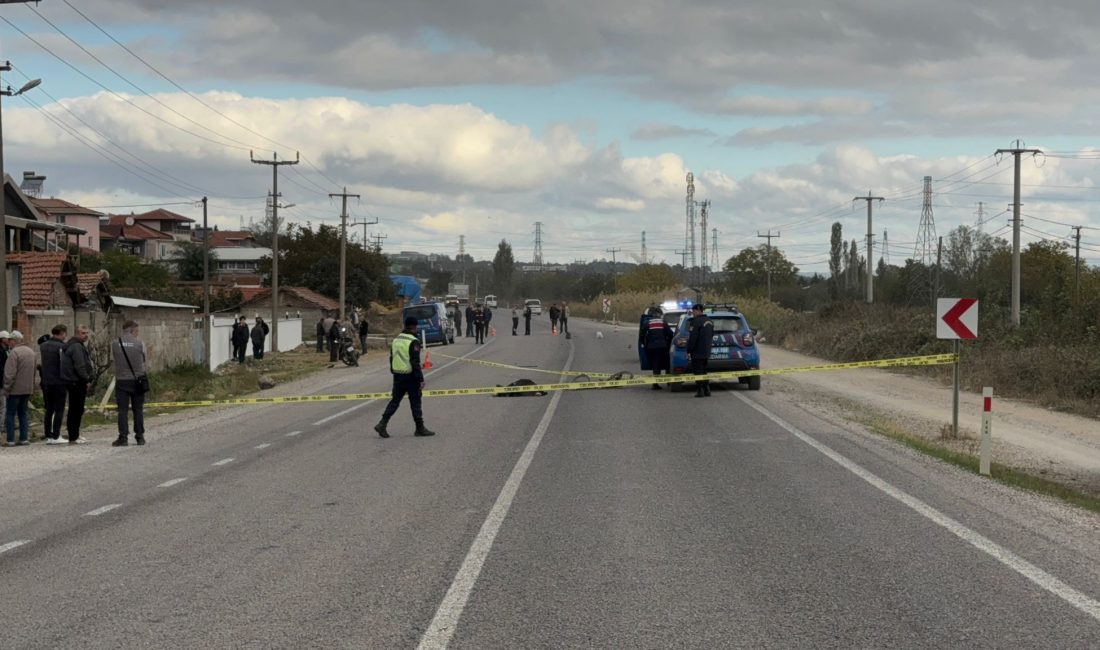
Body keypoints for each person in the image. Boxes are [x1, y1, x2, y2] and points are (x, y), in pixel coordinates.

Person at [373, 316, 436, 438]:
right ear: (414, 326)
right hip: (410, 376)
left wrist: (394, 371)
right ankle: (420, 428)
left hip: (398, 375)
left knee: (395, 401)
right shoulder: (413, 341)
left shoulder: (396, 340)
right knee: (415, 402)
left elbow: (392, 357)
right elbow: (414, 362)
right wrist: (420, 379)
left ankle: (382, 423)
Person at [111, 320, 148, 446]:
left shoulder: (115, 343)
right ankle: (140, 436)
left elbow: (115, 359)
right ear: (132, 330)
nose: (137, 333)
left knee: (122, 411)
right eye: (136, 331)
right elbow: (144, 359)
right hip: (138, 380)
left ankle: (123, 437)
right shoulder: (140, 344)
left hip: (122, 380)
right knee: (138, 409)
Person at [60, 324, 93, 444]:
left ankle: (75, 434)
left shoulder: (74, 345)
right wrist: (87, 379)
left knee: (76, 409)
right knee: (76, 410)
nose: (86, 335)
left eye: (87, 333)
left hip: (73, 381)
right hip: (76, 381)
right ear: (77, 333)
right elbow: (80, 366)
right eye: (83, 333)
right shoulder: (76, 347)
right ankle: (73, 436)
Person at [3, 331, 34, 446]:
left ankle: (10, 439)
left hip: (15, 389)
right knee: (23, 413)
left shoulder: (14, 353)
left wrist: (7, 388)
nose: (9, 343)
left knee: (10, 414)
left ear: (14, 341)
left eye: (10, 341)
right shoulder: (31, 352)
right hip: (27, 388)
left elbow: (9, 374)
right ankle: (24, 438)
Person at [39, 324, 69, 444]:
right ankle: (56, 435)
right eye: (64, 334)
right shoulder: (62, 347)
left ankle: (48, 434)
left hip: (46, 381)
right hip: (59, 381)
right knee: (59, 409)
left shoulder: (43, 346)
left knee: (49, 409)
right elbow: (64, 365)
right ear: (62, 333)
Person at [641, 307, 674, 390]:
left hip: (651, 347)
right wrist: (668, 343)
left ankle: (655, 383)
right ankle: (668, 381)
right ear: (660, 314)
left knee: (656, 364)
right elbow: (670, 334)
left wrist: (644, 344)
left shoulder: (647, 322)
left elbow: (642, 334)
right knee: (667, 363)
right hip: (662, 346)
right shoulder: (663, 322)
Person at [686, 303, 714, 397]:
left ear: (698, 310)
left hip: (697, 351)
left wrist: (689, 350)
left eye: (693, 311)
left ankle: (700, 390)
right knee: (704, 371)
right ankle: (707, 389)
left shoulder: (695, 322)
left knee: (698, 371)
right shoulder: (710, 321)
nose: (693, 313)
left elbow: (692, 338)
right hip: (707, 351)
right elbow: (711, 335)